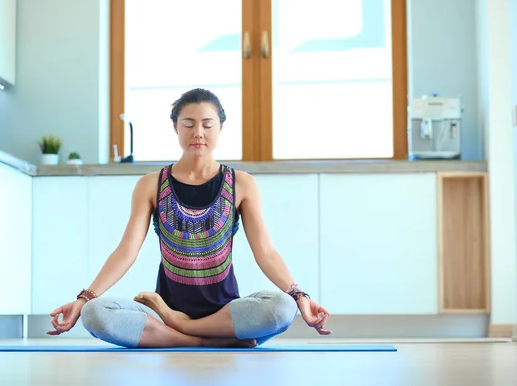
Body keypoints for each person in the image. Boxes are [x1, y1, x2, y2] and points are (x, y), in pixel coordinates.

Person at [47, 88, 332, 348]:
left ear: (220, 128)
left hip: (224, 313)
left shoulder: (241, 183)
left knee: (281, 308)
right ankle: (206, 339)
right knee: (95, 314)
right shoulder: (151, 184)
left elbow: (266, 252)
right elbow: (126, 251)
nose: (198, 132)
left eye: (208, 125)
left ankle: (182, 330)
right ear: (175, 127)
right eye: (188, 124)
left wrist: (300, 297)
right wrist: (84, 298)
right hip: (162, 310)